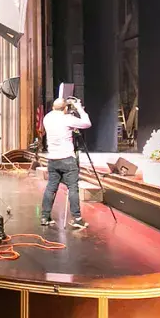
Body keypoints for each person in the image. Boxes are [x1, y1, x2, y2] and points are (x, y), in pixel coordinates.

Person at [40, 97, 91, 230]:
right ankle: (77, 219)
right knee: (73, 188)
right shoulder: (67, 118)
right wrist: (79, 108)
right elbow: (87, 123)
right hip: (67, 159)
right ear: (65, 108)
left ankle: (45, 217)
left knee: (51, 187)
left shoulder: (47, 118)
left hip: (53, 159)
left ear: (53, 108)